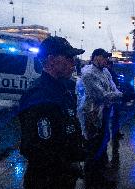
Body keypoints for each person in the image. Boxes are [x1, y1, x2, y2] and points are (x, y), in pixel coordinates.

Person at [18, 36, 86, 189]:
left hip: (64, 178)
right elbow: (37, 148)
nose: (73, 63)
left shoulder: (62, 89)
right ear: (51, 59)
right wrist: (68, 164)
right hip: (47, 181)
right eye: (68, 57)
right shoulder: (39, 95)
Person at [79, 48, 122, 188]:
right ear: (96, 57)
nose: (106, 60)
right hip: (91, 114)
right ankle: (91, 178)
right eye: (104, 57)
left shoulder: (105, 71)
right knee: (93, 145)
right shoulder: (88, 73)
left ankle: (101, 174)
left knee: (103, 141)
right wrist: (120, 95)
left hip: (104, 111)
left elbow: (113, 88)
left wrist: (116, 94)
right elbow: (101, 95)